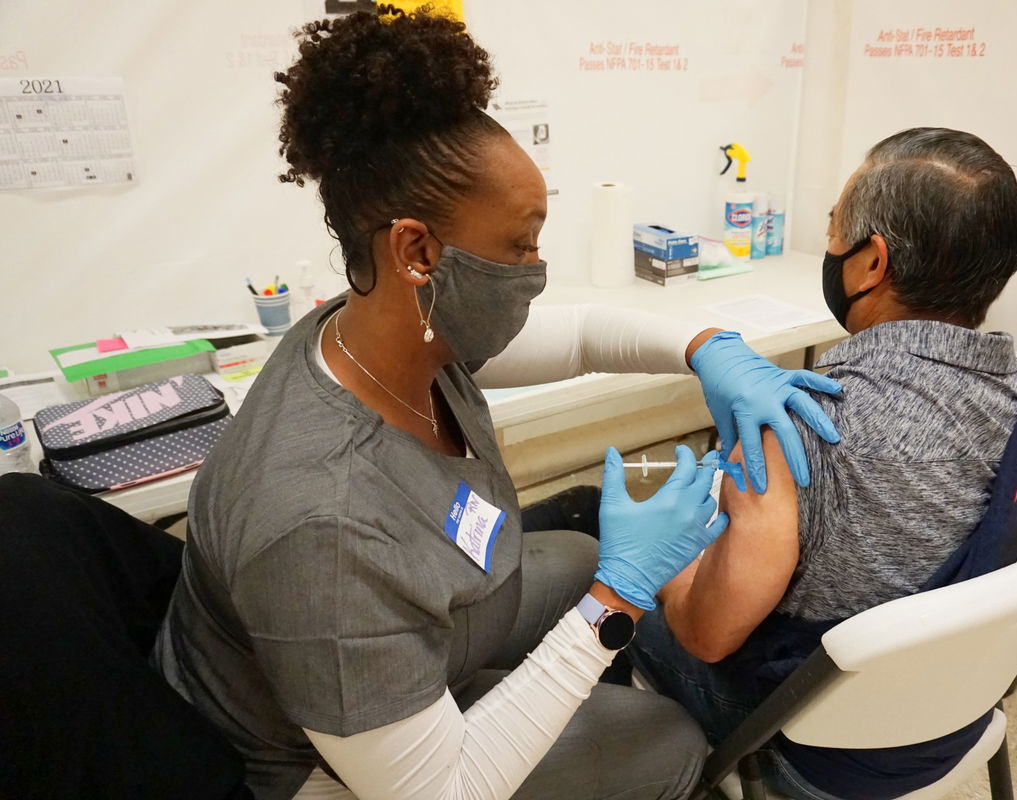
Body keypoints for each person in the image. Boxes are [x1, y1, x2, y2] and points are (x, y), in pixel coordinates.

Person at [152, 7, 841, 800]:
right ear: (418, 251)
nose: (535, 270)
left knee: (577, 553)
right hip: (318, 770)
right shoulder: (322, 525)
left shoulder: (389, 334)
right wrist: (613, 604)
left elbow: (584, 336)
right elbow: (442, 792)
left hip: (399, 652)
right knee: (665, 739)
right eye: (519, 245)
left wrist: (708, 348)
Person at [627, 128, 1017, 800]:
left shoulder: (792, 427)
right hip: (955, 719)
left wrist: (658, 561)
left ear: (870, 264)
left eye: (833, 229)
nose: (828, 245)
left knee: (603, 558)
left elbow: (706, 635)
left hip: (809, 752)